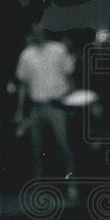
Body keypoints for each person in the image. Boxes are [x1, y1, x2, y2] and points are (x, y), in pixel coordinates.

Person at [14, 24, 76, 185]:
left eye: (40, 30)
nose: (38, 33)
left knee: (63, 146)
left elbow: (69, 77)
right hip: (37, 106)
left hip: (57, 105)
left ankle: (71, 183)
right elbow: (23, 84)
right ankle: (38, 184)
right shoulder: (26, 55)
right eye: (34, 30)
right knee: (36, 149)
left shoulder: (59, 50)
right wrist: (20, 110)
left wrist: (71, 104)